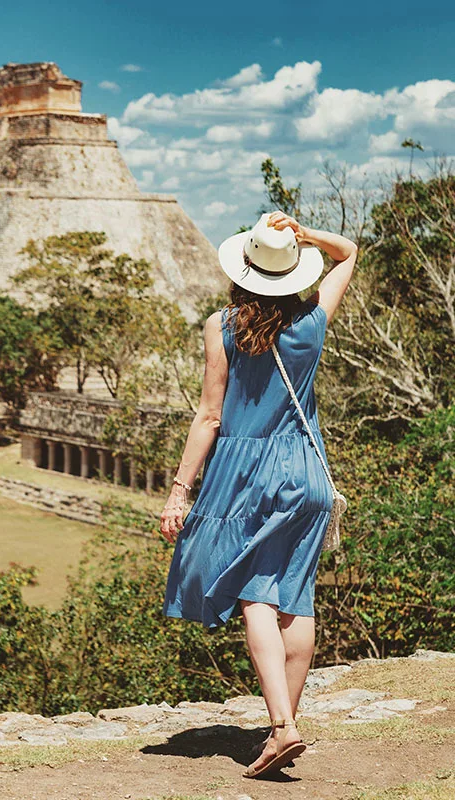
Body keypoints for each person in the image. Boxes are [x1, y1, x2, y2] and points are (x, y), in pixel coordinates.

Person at [159, 210, 358, 779]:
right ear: (295, 275)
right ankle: (284, 727)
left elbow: (209, 416)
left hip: (249, 475)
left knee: (253, 595)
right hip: (310, 474)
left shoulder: (222, 328)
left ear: (243, 271)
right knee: (294, 598)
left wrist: (180, 491)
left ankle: (281, 727)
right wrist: (307, 234)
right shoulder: (314, 321)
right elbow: (349, 253)